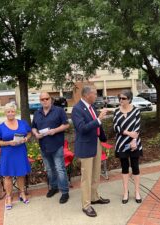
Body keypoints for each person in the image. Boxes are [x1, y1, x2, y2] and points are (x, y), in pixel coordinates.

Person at [71, 85, 110, 217]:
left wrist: (102, 137)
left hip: (96, 143)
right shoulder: (77, 109)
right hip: (85, 146)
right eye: (95, 93)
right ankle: (86, 205)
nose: (96, 96)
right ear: (87, 95)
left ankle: (94, 197)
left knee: (95, 173)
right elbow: (82, 128)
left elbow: (96, 125)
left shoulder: (92, 107)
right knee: (86, 177)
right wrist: (99, 119)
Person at [32, 92, 70, 204]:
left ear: (50, 99)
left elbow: (66, 124)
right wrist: (35, 133)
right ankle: (54, 187)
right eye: (42, 99)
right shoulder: (37, 113)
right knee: (49, 169)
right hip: (43, 145)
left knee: (60, 169)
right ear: (40, 101)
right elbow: (33, 127)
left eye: (46, 98)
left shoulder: (59, 111)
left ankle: (65, 192)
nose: (44, 101)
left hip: (56, 144)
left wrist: (55, 130)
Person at [0, 102, 31, 210]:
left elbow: (29, 133)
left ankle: (22, 193)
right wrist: (8, 143)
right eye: (8, 111)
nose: (10, 113)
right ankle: (9, 197)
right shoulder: (0, 127)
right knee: (8, 176)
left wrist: (26, 139)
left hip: (20, 151)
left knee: (21, 174)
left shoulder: (22, 123)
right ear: (5, 113)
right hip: (8, 153)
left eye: (12, 111)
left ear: (15, 112)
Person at [113, 90, 143, 204]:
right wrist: (128, 133)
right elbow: (116, 127)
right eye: (119, 98)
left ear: (130, 99)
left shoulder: (136, 111)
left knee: (135, 167)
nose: (121, 100)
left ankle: (137, 192)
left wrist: (134, 140)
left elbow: (137, 127)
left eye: (123, 98)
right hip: (121, 144)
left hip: (134, 144)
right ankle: (125, 192)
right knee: (124, 168)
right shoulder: (116, 111)